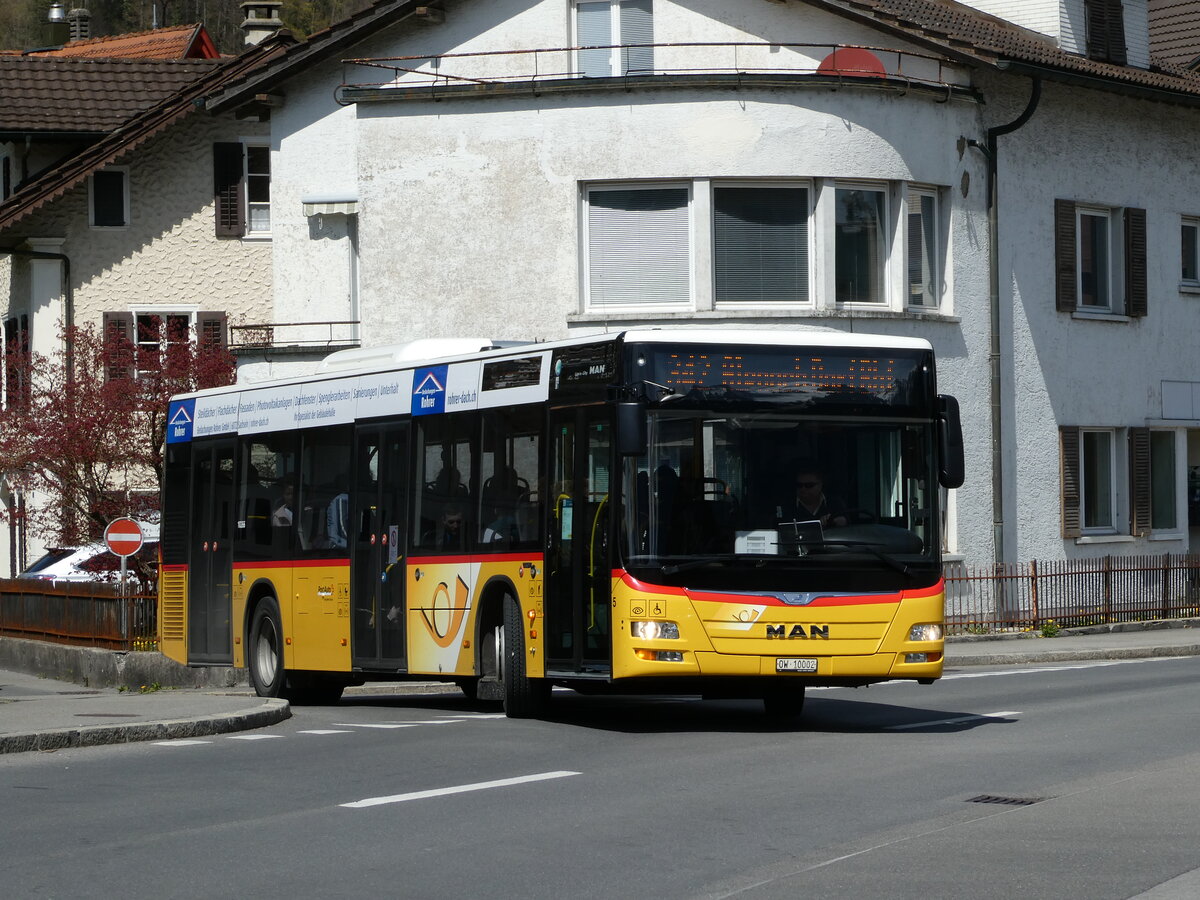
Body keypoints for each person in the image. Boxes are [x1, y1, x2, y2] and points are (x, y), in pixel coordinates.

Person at [780, 464, 848, 529]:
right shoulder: (786, 506)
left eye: (809, 485)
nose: (803, 489)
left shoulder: (835, 503)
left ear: (821, 484)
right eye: (799, 485)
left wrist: (839, 521)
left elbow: (847, 526)